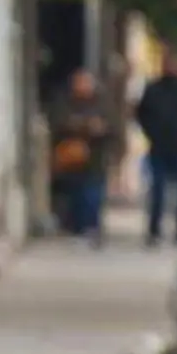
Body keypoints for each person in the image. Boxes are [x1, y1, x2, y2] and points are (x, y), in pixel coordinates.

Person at [134, 52, 177, 246]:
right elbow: (141, 114)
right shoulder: (153, 89)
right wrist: (152, 133)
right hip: (160, 146)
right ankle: (154, 230)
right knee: (157, 190)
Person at [46, 67, 115, 247]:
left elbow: (111, 126)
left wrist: (100, 130)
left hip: (95, 158)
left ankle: (91, 227)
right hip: (71, 159)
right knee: (74, 194)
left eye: (85, 83)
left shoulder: (101, 103)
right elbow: (58, 123)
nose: (82, 87)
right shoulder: (64, 102)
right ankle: (76, 226)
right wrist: (81, 125)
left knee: (93, 194)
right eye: (79, 83)